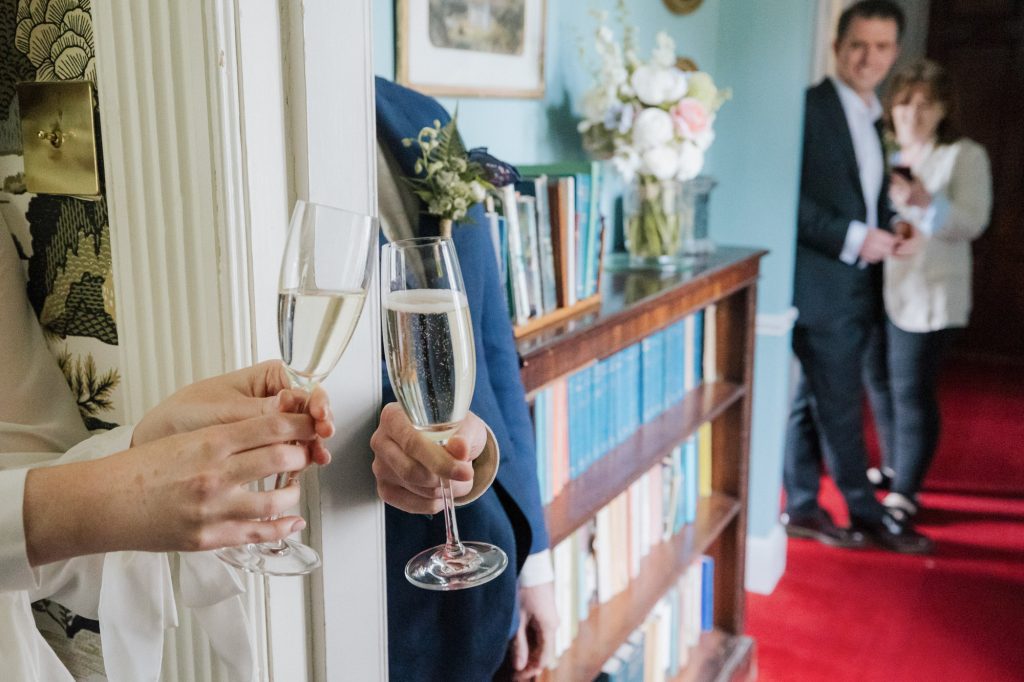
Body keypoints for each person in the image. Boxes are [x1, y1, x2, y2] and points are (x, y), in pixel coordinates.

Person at [371, 76, 558, 681]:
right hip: (368, 593)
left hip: (484, 566)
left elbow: (495, 353)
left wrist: (535, 562)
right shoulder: (254, 135)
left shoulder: (423, 120)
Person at [782, 0, 932, 554]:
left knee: (810, 402)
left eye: (883, 47)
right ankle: (867, 515)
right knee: (842, 405)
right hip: (820, 284)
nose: (870, 58)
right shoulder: (809, 108)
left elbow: (867, 198)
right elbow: (785, 196)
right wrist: (852, 237)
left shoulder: (874, 114)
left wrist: (894, 225)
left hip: (856, 283)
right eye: (859, 46)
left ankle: (803, 506)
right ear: (837, 46)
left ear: (895, 51)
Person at [865, 59, 992, 518]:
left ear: (942, 110)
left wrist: (926, 202)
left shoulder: (963, 155)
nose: (913, 114)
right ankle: (893, 465)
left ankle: (907, 490)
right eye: (904, 104)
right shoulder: (880, 152)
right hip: (876, 285)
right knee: (877, 381)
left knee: (910, 389)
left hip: (929, 293)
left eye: (925, 105)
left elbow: (973, 222)